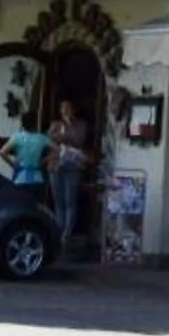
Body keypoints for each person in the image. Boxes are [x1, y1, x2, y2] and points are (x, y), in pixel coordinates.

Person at [48, 98, 93, 256]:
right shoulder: (55, 124)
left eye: (68, 108)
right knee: (58, 199)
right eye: (63, 108)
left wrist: (64, 136)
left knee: (70, 200)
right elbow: (50, 140)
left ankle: (67, 233)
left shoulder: (81, 125)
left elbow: (79, 139)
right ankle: (59, 231)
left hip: (73, 165)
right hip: (56, 165)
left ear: (74, 110)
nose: (65, 111)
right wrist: (64, 136)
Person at [1, 113, 52, 202]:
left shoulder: (17, 137)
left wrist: (13, 165)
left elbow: (2, 152)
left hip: (20, 176)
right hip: (37, 177)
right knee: (36, 206)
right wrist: (44, 160)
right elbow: (58, 150)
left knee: (20, 205)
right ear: (35, 124)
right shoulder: (42, 138)